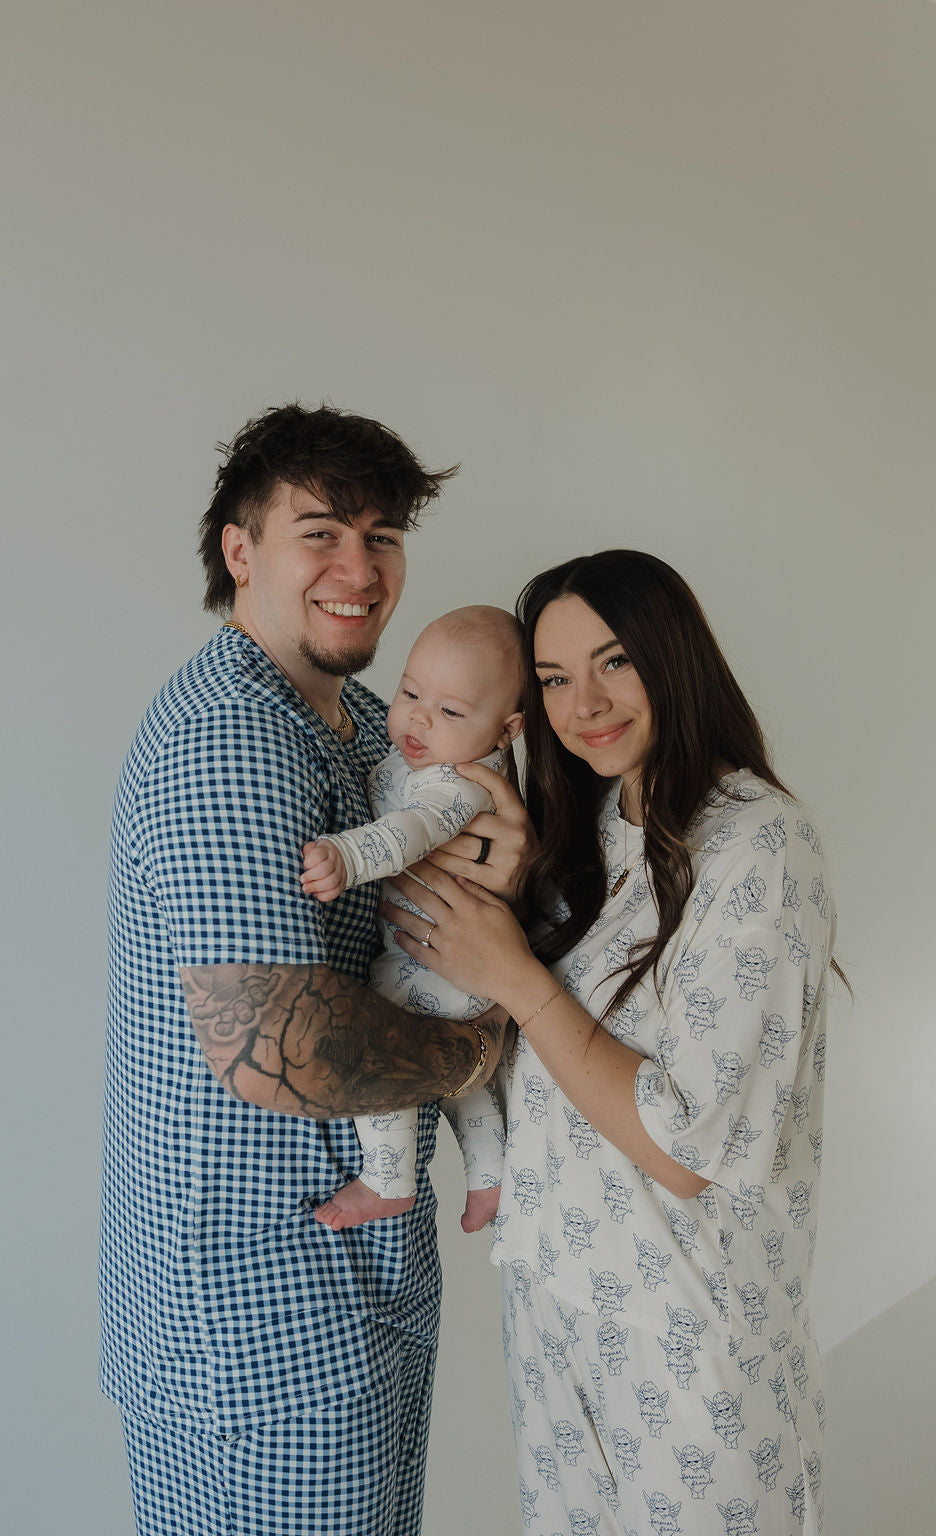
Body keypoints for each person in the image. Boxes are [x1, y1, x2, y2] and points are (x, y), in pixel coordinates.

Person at [99, 403, 526, 1536]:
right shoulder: (232, 738)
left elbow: (471, 872)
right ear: (241, 552)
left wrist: (510, 862)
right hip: (259, 1322)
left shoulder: (369, 726)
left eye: (381, 537)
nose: (360, 568)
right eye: (321, 532)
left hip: (347, 1290)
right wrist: (491, 1031)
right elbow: (282, 1051)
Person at [381, 550, 835, 1536]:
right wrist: (500, 895)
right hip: (555, 1309)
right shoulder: (582, 835)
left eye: (612, 660)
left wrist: (512, 972)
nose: (582, 702)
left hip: (688, 1339)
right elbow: (516, 1050)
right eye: (552, 679)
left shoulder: (757, 841)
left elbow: (685, 1149)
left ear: (671, 657)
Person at [300, 604, 525, 1233]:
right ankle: (489, 1180)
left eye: (451, 711)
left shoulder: (460, 781)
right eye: (411, 692)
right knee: (472, 1090)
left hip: (436, 959)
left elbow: (413, 831)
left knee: (383, 1041)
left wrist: (347, 856)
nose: (420, 717)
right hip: (456, 964)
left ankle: (388, 1179)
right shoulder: (425, 756)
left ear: (506, 732)